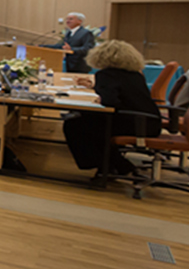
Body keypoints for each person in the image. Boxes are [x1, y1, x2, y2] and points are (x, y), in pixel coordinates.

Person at [63, 40, 160, 177]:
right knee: (88, 122)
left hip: (133, 124)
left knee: (75, 125)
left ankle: (110, 165)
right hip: (149, 122)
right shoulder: (135, 74)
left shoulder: (106, 74)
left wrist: (100, 96)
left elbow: (109, 101)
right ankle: (116, 165)